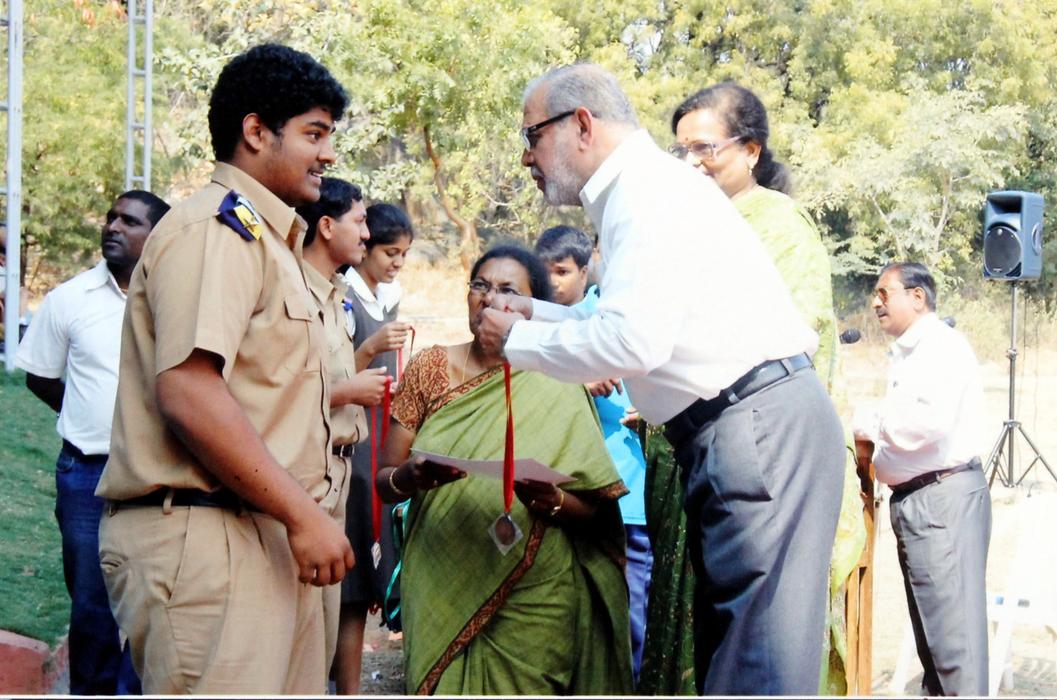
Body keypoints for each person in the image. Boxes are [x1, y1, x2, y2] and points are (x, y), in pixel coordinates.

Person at [476, 63, 845, 696]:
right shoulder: (642, 190)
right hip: (742, 426)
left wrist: (514, 340)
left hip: (756, 429)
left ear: (582, 124)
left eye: (532, 136)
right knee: (738, 657)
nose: (526, 157)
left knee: (757, 668)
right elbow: (633, 324)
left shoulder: (645, 194)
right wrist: (535, 314)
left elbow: (632, 343)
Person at [95, 44, 354, 694]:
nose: (328, 154)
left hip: (267, 531)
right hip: (210, 535)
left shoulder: (271, 243)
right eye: (314, 134)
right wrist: (304, 516)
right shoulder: (218, 229)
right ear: (256, 131)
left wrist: (302, 518)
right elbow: (188, 391)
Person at [644, 82, 866, 694]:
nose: (690, 163)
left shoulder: (780, 226)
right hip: (687, 457)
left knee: (760, 645)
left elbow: (791, 335)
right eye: (680, 150)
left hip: (759, 453)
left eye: (705, 148)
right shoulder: (681, 225)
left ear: (750, 150)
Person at [376, 244, 634, 695]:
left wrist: (554, 501)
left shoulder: (558, 376)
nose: (490, 299)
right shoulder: (430, 368)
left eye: (509, 291)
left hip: (537, 588)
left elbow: (597, 509)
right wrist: (410, 478)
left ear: (533, 309)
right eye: (480, 285)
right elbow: (385, 482)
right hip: (441, 574)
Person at [15, 190, 169, 695]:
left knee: (155, 600)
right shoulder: (70, 298)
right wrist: (83, 411)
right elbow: (40, 376)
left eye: (130, 221)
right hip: (86, 476)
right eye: (111, 217)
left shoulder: (177, 299)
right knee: (91, 606)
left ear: (158, 235)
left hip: (157, 474)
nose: (113, 227)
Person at [853, 262, 990, 696]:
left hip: (941, 500)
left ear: (917, 296)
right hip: (921, 501)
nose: (876, 303)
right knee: (934, 642)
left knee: (954, 647)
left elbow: (924, 424)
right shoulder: (910, 352)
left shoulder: (940, 347)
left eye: (884, 293)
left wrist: (869, 421)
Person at [534, 224, 652, 682]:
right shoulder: (540, 326)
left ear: (588, 269)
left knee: (631, 614)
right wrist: (576, 383)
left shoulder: (627, 315)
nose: (553, 282)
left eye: (562, 271)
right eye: (546, 272)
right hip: (567, 492)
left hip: (630, 489)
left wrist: (651, 415)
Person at [296, 177, 391, 681]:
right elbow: (275, 391)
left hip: (336, 477)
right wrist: (349, 390)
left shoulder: (336, 296)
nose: (367, 233)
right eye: (360, 221)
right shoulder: (291, 289)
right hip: (301, 479)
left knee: (318, 634)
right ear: (327, 226)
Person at [334, 201, 414, 694]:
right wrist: (372, 347)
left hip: (380, 441)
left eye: (403, 254)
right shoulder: (343, 297)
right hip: (352, 447)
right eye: (389, 252)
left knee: (365, 579)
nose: (396, 262)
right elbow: (332, 372)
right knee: (350, 584)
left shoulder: (387, 298)